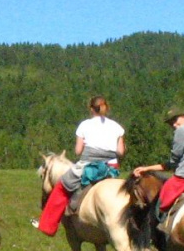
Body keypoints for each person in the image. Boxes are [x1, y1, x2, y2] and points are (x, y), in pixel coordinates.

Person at [35, 95, 125, 235]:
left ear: (91, 109)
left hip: (89, 166)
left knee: (61, 187)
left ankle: (47, 226)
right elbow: (120, 151)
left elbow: (78, 151)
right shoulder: (117, 127)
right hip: (110, 168)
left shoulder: (84, 125)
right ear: (106, 108)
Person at [132, 108, 184, 228]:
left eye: (176, 120)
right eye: (171, 122)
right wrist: (147, 168)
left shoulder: (181, 131)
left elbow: (173, 162)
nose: (174, 124)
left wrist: (146, 168)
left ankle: (162, 227)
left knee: (161, 203)